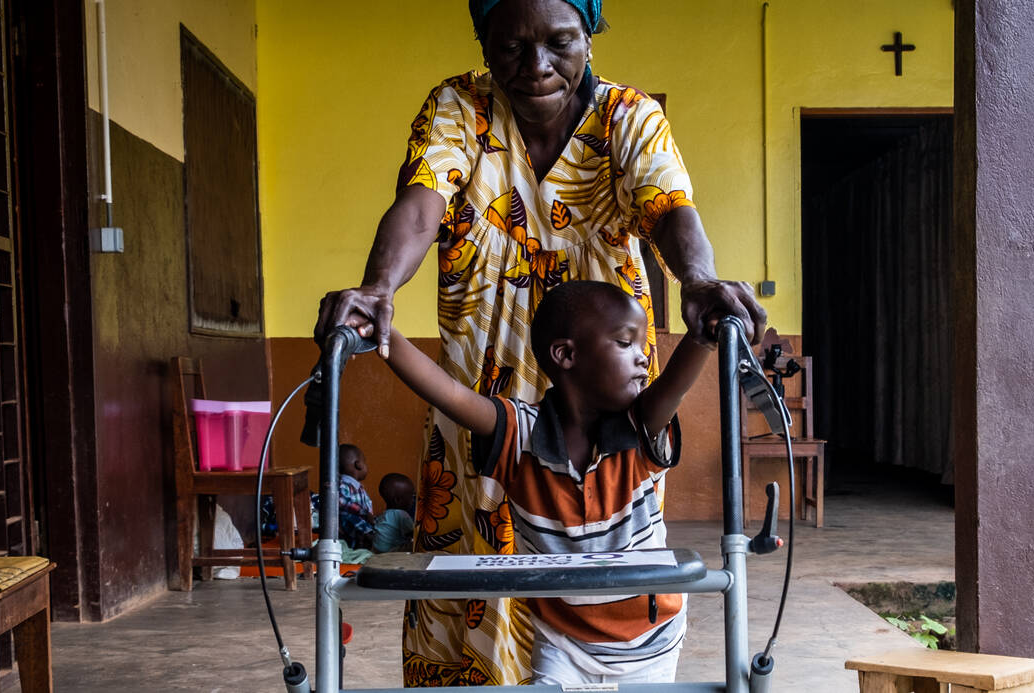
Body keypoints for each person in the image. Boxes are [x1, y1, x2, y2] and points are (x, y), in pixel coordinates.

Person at [314, 0, 764, 684]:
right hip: (483, 383)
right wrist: (379, 288)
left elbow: (671, 207)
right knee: (468, 556)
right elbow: (420, 202)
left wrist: (698, 280)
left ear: (591, 34)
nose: (536, 67)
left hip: (600, 374)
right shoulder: (459, 107)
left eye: (560, 42)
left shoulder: (628, 118)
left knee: (601, 556)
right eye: (510, 47)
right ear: (484, 42)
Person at [379, 280, 710, 684]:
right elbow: (449, 394)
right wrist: (381, 330)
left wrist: (704, 337)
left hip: (649, 641)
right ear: (567, 354)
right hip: (563, 641)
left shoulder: (637, 428)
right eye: (626, 344)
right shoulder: (520, 434)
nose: (644, 360)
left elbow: (673, 387)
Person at [369, 473, 419, 553]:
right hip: (390, 551)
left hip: (376, 550)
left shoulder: (384, 514)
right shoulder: (401, 515)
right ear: (398, 500)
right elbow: (414, 534)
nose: (413, 500)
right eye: (412, 496)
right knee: (414, 545)